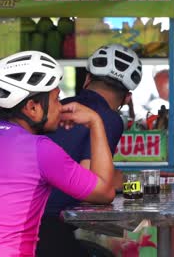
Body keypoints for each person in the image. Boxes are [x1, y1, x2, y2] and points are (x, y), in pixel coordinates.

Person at [0, 51, 116, 256]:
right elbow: (104, 193)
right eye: (56, 99)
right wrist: (95, 122)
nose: (61, 106)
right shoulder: (41, 149)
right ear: (32, 107)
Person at [36, 44, 143, 257]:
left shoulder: (63, 106)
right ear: (127, 98)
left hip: (29, 220)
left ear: (87, 79)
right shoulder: (109, 118)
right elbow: (93, 182)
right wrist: (142, 183)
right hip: (48, 226)